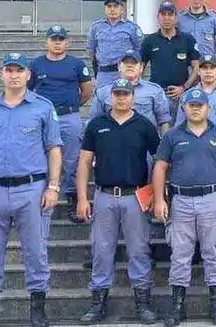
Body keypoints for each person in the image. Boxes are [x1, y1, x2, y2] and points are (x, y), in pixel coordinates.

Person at [0, 53, 62, 327]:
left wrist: (53, 186)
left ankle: (38, 312)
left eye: (19, 70)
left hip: (31, 189)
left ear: (28, 75)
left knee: (36, 253)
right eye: (9, 70)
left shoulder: (42, 107)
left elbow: (54, 148)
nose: (14, 75)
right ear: (2, 74)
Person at [75, 79, 161, 324]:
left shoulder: (144, 125)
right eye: (117, 94)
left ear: (133, 96)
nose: (121, 98)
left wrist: (156, 195)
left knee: (139, 250)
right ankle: (98, 304)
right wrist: (82, 197)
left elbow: (160, 161)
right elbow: (84, 162)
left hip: (135, 196)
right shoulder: (97, 124)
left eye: (125, 94)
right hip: (104, 195)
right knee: (101, 251)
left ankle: (142, 304)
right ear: (110, 97)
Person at [152, 89, 216, 326]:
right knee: (180, 254)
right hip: (181, 200)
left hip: (212, 198)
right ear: (184, 108)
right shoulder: (172, 135)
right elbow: (160, 167)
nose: (195, 108)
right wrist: (159, 199)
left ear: (207, 108)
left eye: (200, 105)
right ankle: (178, 307)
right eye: (191, 105)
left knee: (214, 252)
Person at [28, 25, 93, 223]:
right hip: (43, 118)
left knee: (73, 159)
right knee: (41, 156)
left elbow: (87, 92)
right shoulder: (36, 64)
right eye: (53, 39)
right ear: (46, 41)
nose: (57, 43)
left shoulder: (76, 64)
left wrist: (72, 105)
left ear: (67, 42)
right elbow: (28, 91)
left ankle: (73, 198)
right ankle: (42, 196)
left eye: (61, 39)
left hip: (68, 116)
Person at [141, 1, 200, 123]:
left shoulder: (187, 39)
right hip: (157, 95)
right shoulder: (149, 41)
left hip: (182, 96)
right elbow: (140, 68)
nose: (167, 18)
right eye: (163, 14)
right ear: (158, 17)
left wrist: (184, 87)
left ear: (176, 17)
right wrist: (143, 90)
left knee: (181, 129)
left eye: (170, 14)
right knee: (158, 129)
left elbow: (196, 68)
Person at [90, 50, 171, 135]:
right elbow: (93, 121)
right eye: (126, 63)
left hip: (145, 139)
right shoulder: (103, 92)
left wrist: (164, 141)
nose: (129, 65)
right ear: (119, 66)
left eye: (134, 63)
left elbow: (164, 120)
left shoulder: (154, 91)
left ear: (141, 67)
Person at [87, 0, 143, 88]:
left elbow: (139, 49)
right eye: (109, 6)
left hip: (124, 73)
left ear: (122, 9)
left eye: (115, 6)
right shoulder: (96, 27)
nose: (112, 9)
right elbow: (91, 49)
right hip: (103, 74)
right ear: (105, 9)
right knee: (102, 96)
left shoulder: (132, 27)